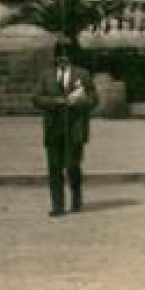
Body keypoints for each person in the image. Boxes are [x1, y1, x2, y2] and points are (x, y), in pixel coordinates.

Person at [32, 39, 100, 217]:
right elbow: (36, 97)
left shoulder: (82, 75)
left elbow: (94, 99)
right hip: (54, 128)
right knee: (54, 167)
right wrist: (55, 101)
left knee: (72, 166)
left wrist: (82, 100)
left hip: (74, 128)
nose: (62, 60)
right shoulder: (46, 76)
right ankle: (57, 206)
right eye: (59, 56)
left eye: (66, 56)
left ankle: (76, 198)